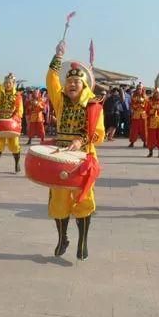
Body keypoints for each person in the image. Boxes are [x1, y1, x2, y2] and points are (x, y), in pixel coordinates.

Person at [46, 41, 104, 260]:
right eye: (68, 81)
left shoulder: (93, 106)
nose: (71, 84)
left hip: (83, 158)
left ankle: (82, 241)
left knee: (83, 200)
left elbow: (98, 134)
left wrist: (81, 141)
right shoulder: (60, 102)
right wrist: (57, 56)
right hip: (60, 156)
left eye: (75, 81)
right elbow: (51, 80)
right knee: (58, 201)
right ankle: (62, 238)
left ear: (83, 85)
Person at [0, 66, 23, 173]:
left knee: (14, 145)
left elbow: (19, 110)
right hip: (0, 122)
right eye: (6, 82)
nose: (7, 84)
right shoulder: (0, 93)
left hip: (11, 124)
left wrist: (15, 119)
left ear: (13, 84)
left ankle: (17, 163)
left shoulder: (17, 96)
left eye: (10, 83)